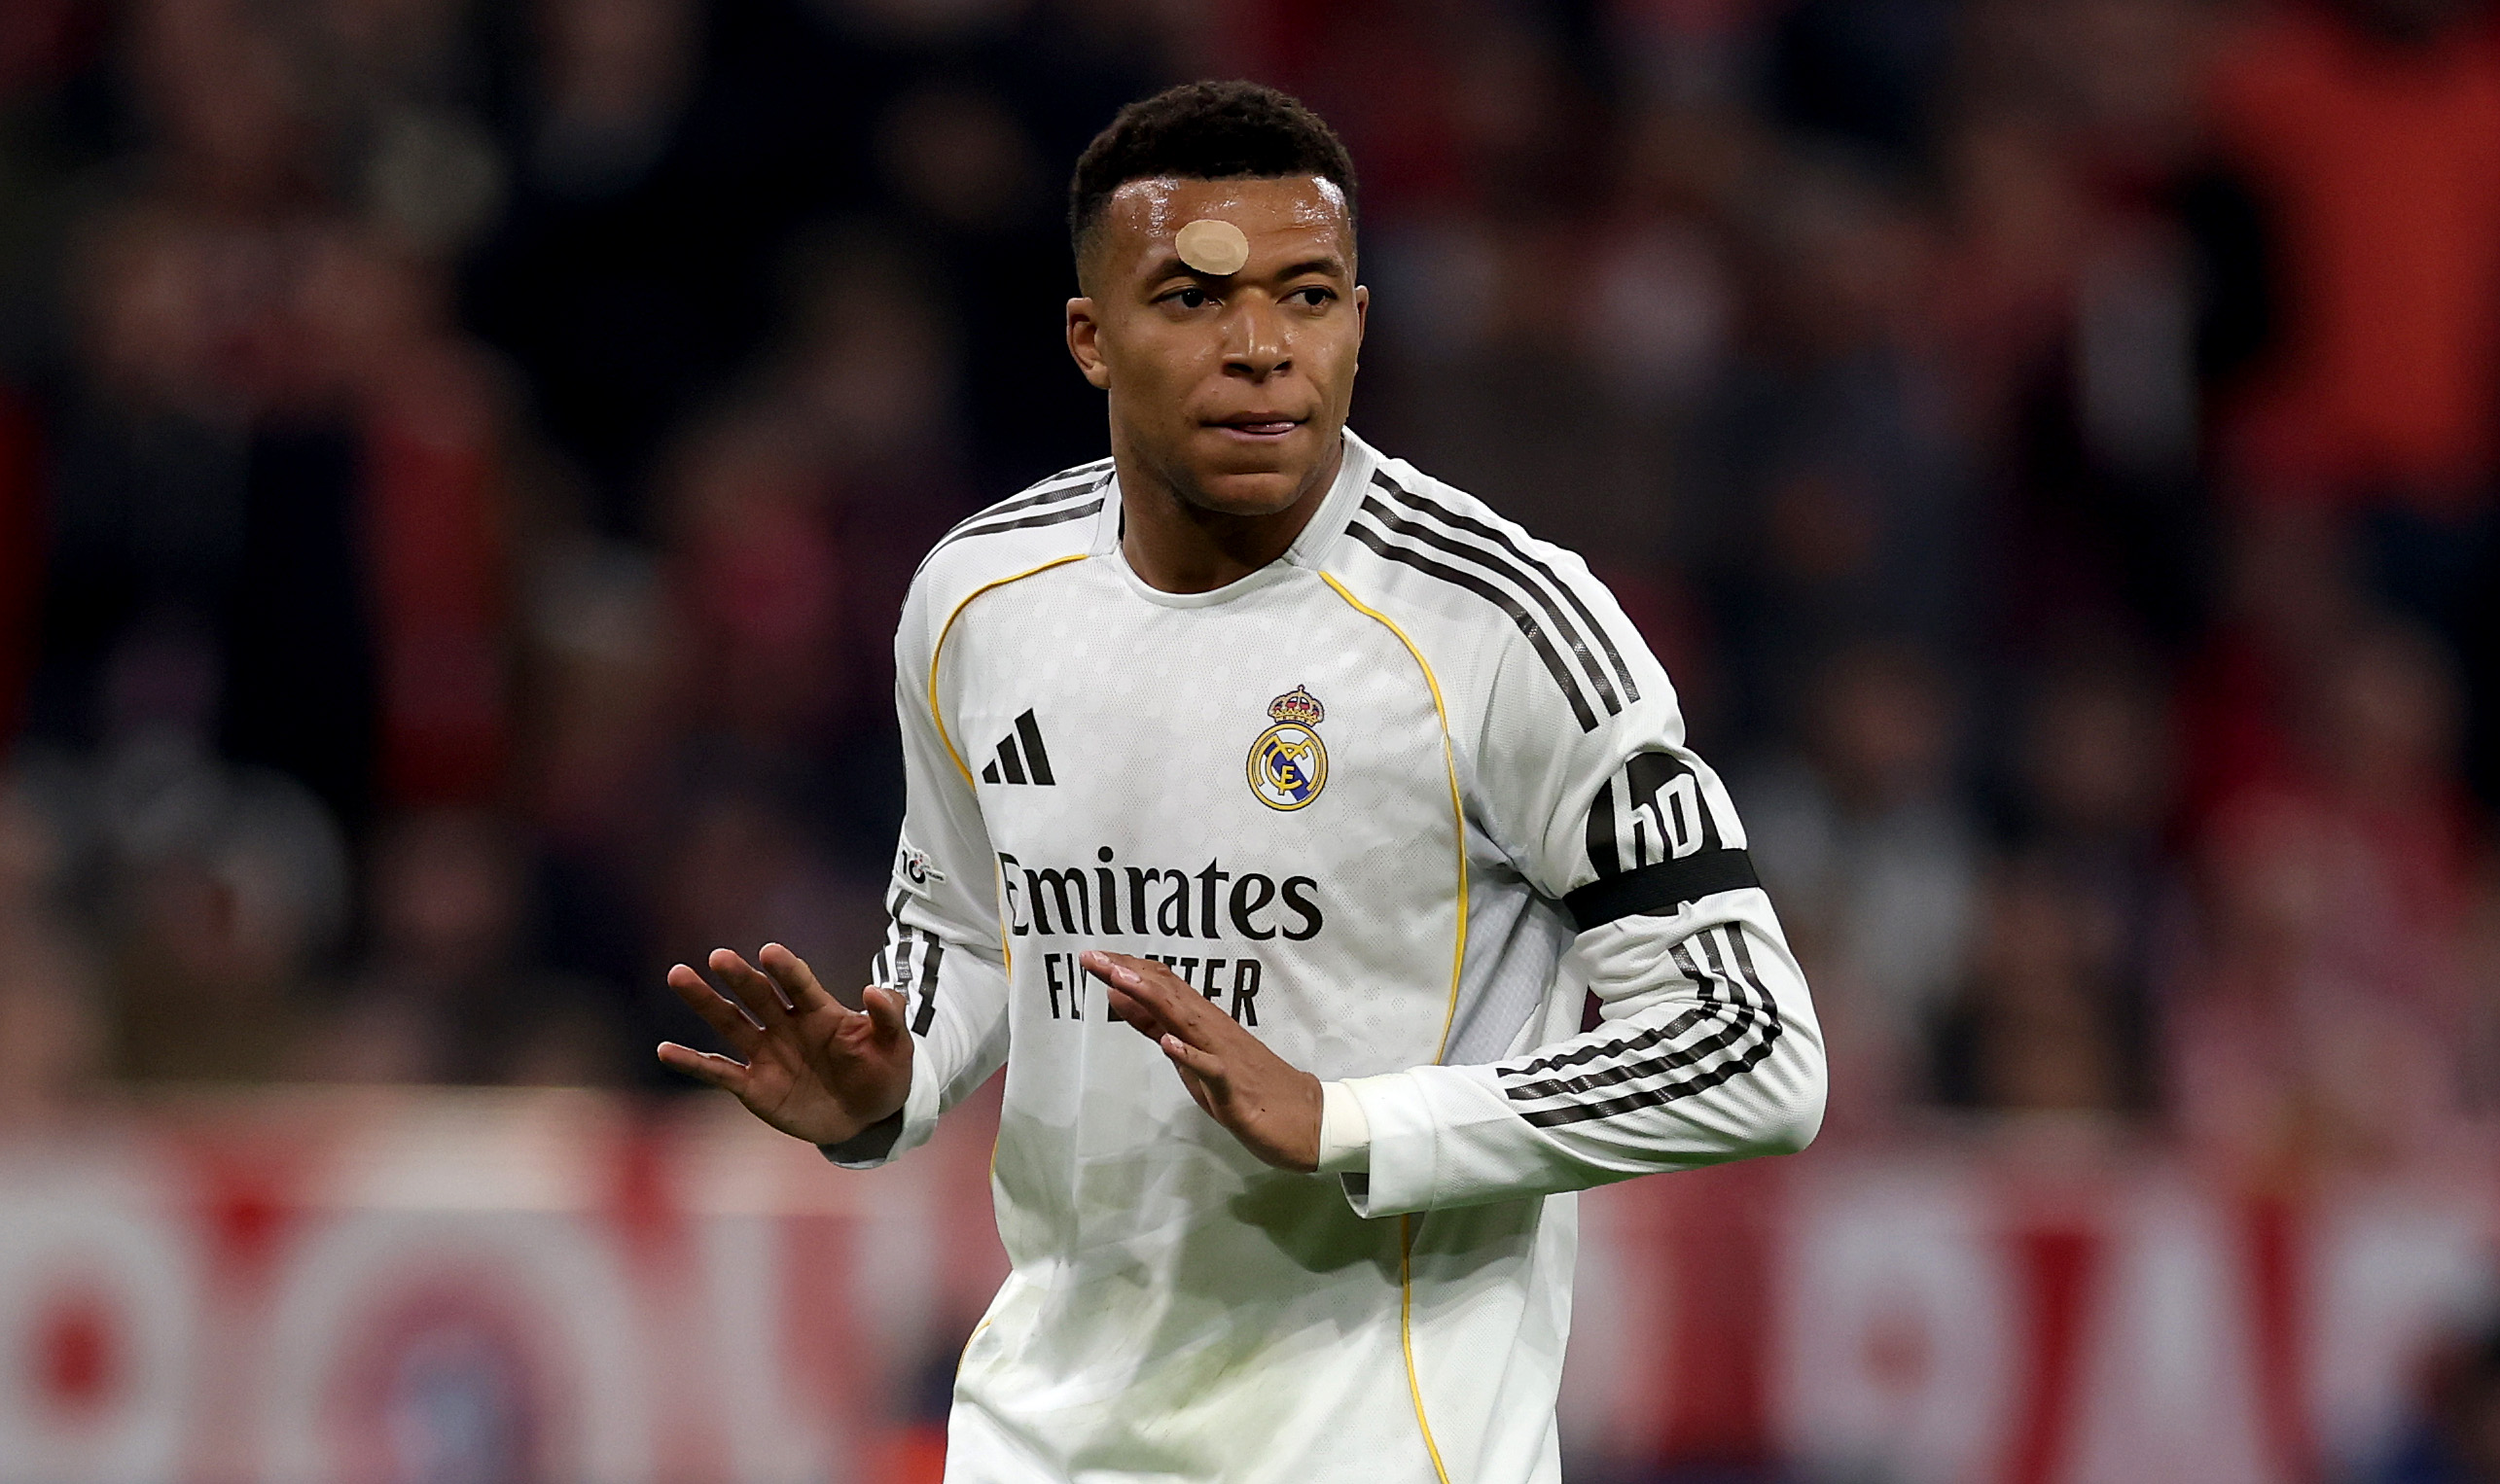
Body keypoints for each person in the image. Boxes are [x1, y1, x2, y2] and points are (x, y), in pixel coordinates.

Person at [657, 81, 1827, 1484]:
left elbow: (1754, 1048)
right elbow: (969, 924)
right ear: (1091, 337)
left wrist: (1350, 1121)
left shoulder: (1506, 629)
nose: (1262, 348)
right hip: (1045, 1439)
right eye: (1194, 299)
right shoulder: (979, 597)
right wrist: (892, 1077)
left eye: (1307, 296)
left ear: (1360, 324)